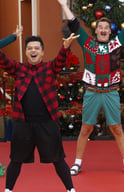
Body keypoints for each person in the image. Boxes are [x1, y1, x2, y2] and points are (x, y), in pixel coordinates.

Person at [58, 0, 124, 176]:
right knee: (85, 129)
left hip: (110, 93)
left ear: (110, 31)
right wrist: (64, 6)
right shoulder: (88, 43)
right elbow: (74, 25)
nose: (103, 30)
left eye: (106, 28)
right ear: (95, 30)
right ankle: (77, 163)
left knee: (117, 128)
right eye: (100, 27)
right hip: (92, 93)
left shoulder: (116, 44)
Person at [1, 33, 79, 192]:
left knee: (58, 159)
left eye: (36, 48)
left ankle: (71, 189)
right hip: (23, 124)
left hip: (47, 123)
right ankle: (8, 190)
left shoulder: (49, 68)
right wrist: (12, 38)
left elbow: (60, 61)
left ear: (42, 52)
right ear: (26, 52)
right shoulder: (18, 69)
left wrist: (65, 47)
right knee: (15, 160)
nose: (33, 50)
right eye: (29, 48)